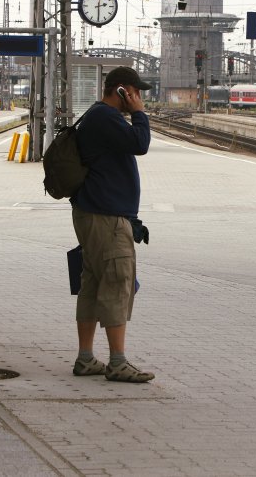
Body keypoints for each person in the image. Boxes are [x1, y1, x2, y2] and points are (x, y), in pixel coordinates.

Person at [70, 66, 154, 383]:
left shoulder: (98, 116)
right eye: (136, 92)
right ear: (122, 90)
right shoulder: (106, 117)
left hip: (96, 212)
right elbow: (140, 143)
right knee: (118, 283)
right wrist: (139, 113)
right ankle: (117, 362)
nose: (139, 98)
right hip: (105, 216)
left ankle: (86, 358)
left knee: (92, 285)